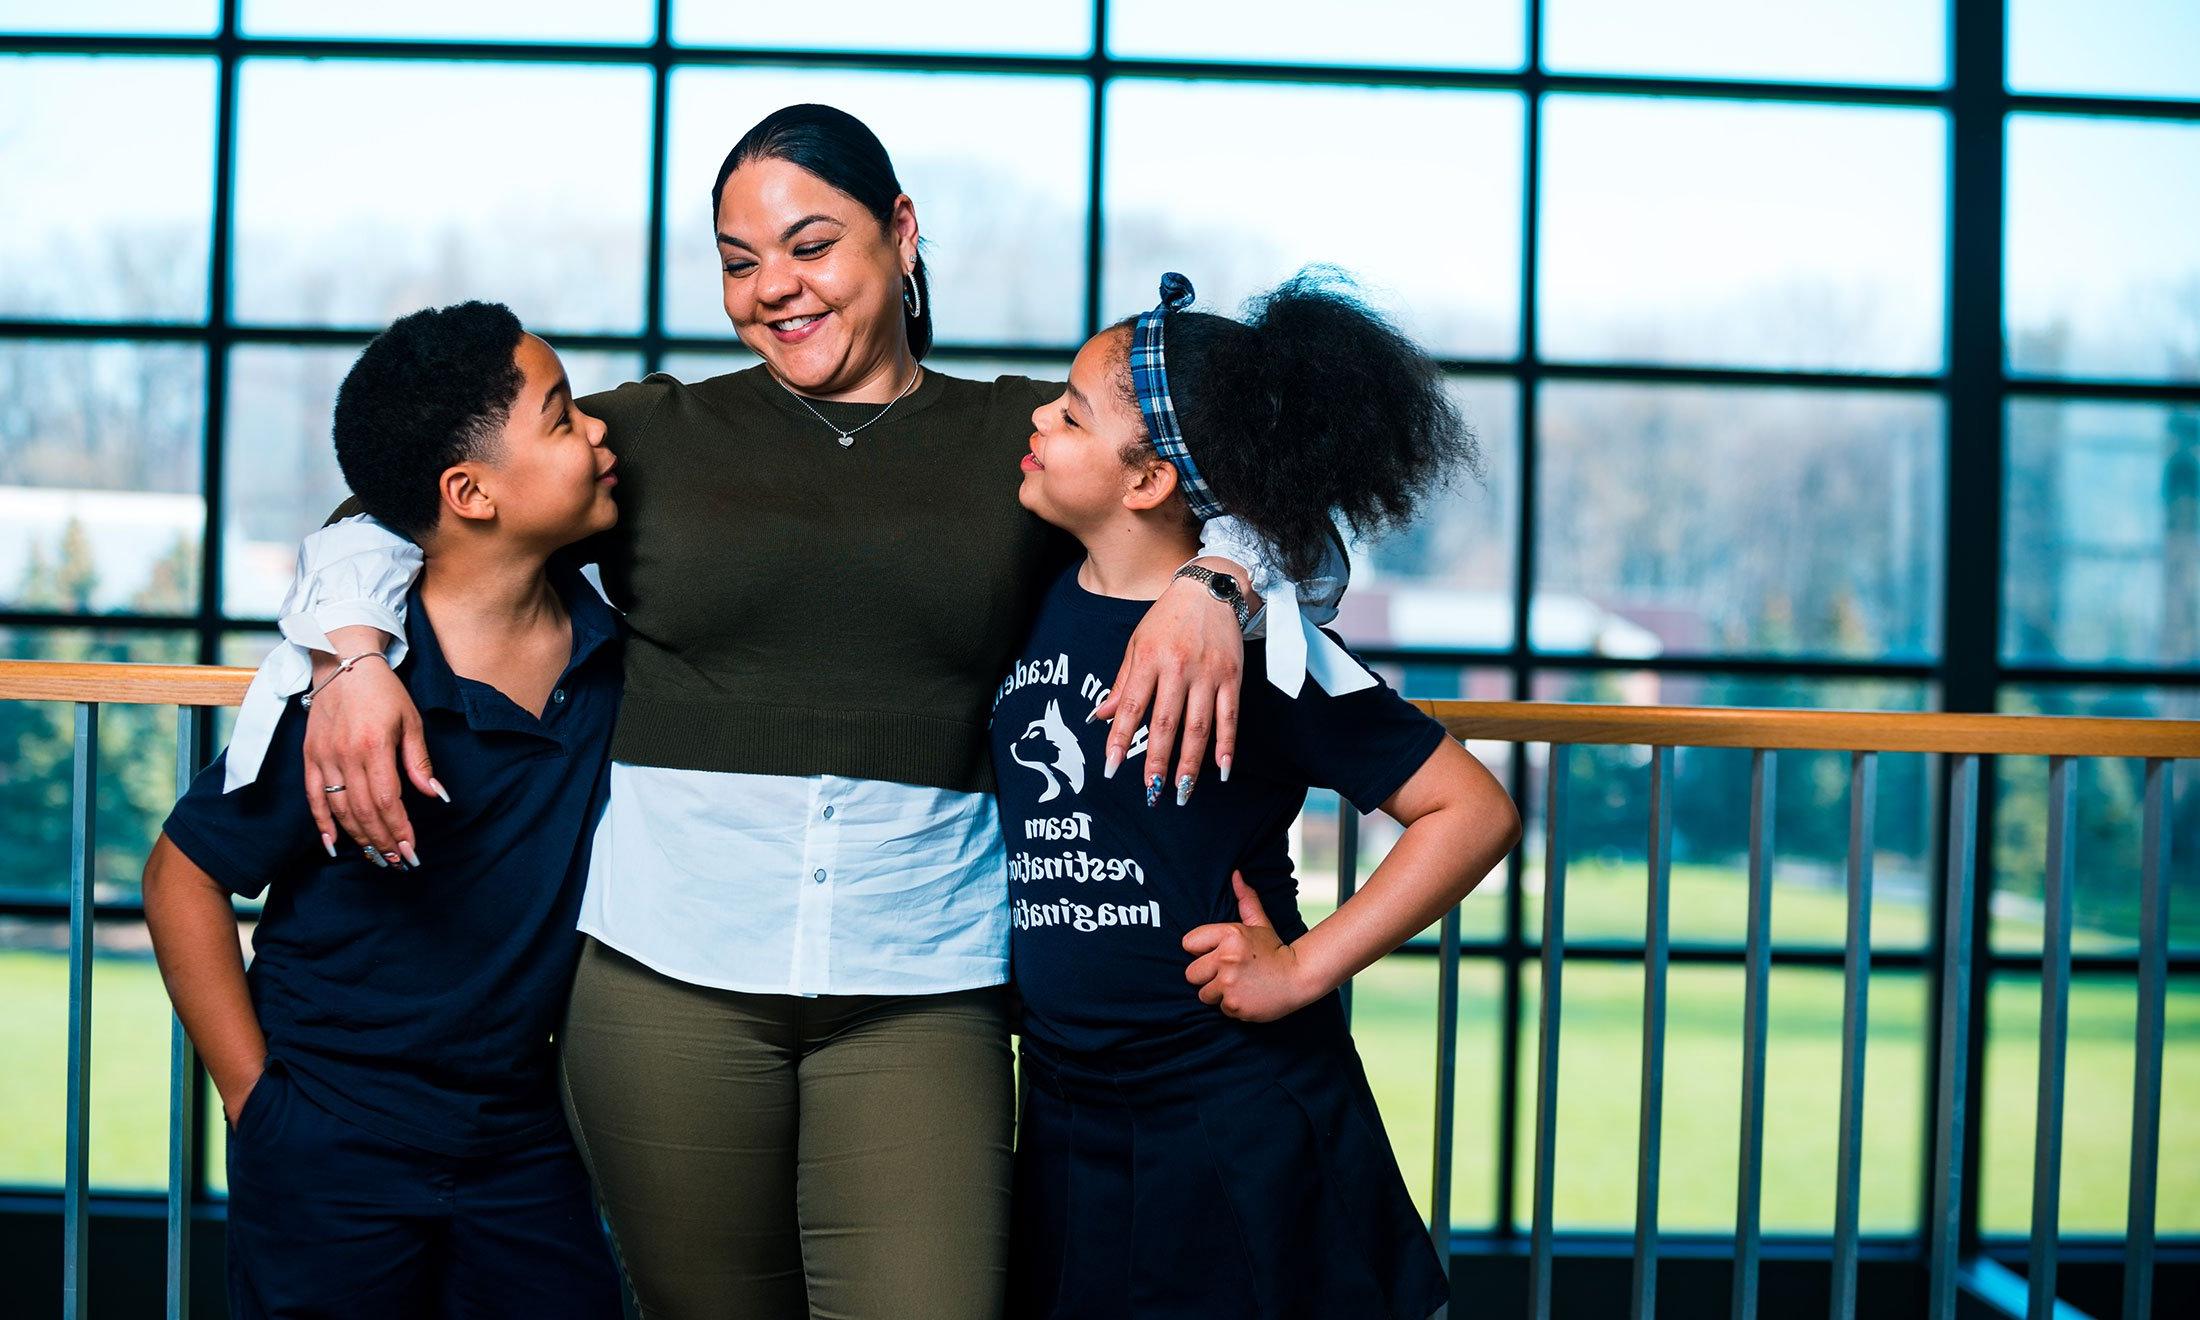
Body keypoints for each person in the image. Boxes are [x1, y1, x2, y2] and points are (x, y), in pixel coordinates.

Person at [228, 105, 1349, 1318]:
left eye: (810, 245)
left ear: (901, 233)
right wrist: (348, 659)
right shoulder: (647, 435)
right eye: (738, 259)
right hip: (662, 983)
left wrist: (1214, 579)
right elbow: (395, 505)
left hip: (922, 984)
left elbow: (1313, 541)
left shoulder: (1026, 438)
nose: (773, 288)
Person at [993, 270, 1522, 1319]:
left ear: (1145, 479)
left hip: (1228, 1110)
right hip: (1064, 1110)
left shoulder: (1265, 647)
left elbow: (1472, 810)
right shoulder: (1032, 585)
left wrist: (1301, 971)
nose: (1036, 420)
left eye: (1069, 413)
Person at [142, 302, 624, 1318]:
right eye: (562, 416)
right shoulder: (349, 701)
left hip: (521, 1146)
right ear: (470, 491)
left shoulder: (612, 648)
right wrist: (256, 1104)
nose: (597, 432)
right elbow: (182, 874)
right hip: (329, 1146)